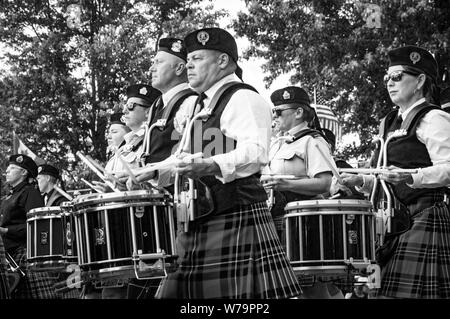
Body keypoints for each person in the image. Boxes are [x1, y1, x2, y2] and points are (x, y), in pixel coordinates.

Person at [156, 27, 302, 299]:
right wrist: (154, 173)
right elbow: (183, 159)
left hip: (235, 214)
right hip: (199, 219)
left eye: (197, 58)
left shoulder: (243, 97)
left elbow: (257, 152)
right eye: (188, 59)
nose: (188, 64)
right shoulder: (200, 105)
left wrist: (211, 165)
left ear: (223, 61)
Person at [340, 45, 450, 299]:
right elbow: (382, 177)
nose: (390, 83)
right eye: (387, 78)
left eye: (398, 76)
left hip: (423, 215)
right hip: (387, 224)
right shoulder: (388, 122)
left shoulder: (434, 118)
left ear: (420, 80)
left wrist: (411, 176)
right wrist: (362, 180)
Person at [126, 38, 197, 299]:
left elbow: (189, 155)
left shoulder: (189, 102)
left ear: (179, 68)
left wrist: (153, 172)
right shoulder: (158, 104)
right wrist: (134, 175)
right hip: (157, 211)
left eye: (158, 62)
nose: (151, 67)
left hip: (178, 211)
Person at [262, 86, 342, 299]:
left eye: (279, 111)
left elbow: (324, 183)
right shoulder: (276, 144)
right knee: (282, 286)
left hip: (303, 220)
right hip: (277, 217)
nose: (274, 116)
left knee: (310, 287)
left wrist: (286, 185)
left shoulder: (312, 140)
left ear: (298, 113)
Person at [0, 154, 57, 299]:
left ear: (24, 172)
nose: (7, 171)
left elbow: (38, 225)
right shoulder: (8, 196)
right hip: (8, 254)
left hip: (24, 254)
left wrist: (6, 230)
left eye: (12, 168)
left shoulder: (30, 192)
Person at [92, 84, 161, 192]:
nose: (124, 110)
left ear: (148, 112)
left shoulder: (154, 139)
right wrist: (112, 188)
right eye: (125, 106)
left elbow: (159, 180)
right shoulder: (125, 146)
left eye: (130, 106)